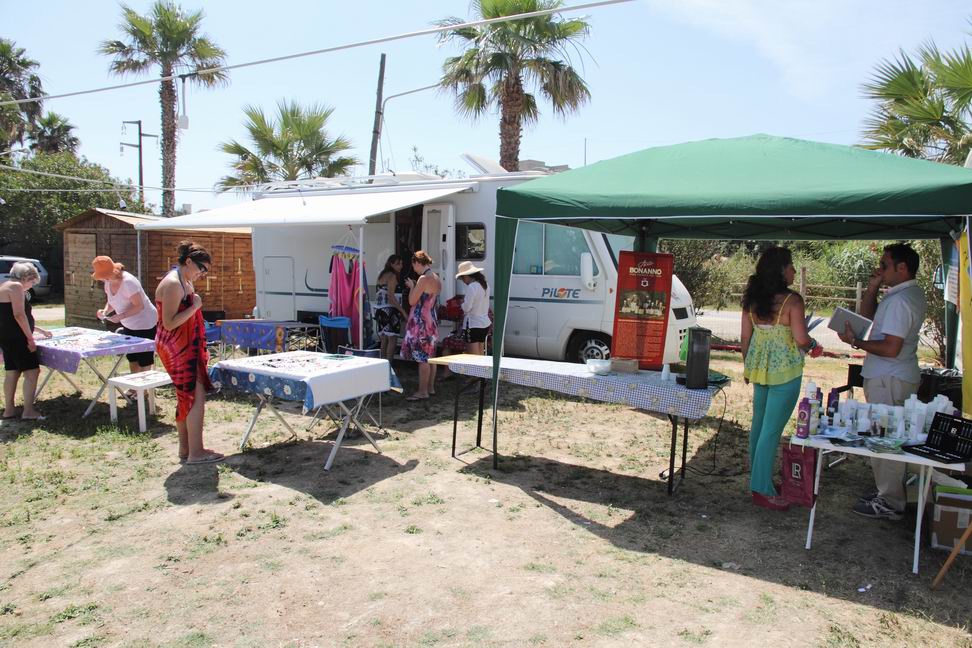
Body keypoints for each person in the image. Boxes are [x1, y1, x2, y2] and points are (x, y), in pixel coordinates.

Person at [838, 243, 926, 520]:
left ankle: (890, 501)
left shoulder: (900, 301)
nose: (880, 269)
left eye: (884, 265)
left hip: (889, 376)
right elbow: (869, 317)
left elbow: (891, 347)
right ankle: (889, 492)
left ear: (902, 267)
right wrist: (873, 287)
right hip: (892, 375)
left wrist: (855, 341)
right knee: (888, 436)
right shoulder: (904, 293)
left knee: (886, 439)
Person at [741, 247, 823, 511]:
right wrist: (814, 346)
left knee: (759, 426)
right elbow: (801, 338)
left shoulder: (753, 298)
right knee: (771, 430)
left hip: (760, 370)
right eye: (791, 266)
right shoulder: (792, 301)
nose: (794, 271)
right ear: (780, 270)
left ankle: (759, 480)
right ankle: (761, 488)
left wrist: (747, 366)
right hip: (786, 372)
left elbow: (745, 337)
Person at [155, 241, 222, 465]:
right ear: (189, 261)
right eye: (201, 269)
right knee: (194, 397)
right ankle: (196, 452)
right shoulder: (174, 284)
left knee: (186, 396)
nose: (202, 274)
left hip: (185, 344)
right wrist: (195, 307)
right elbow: (169, 323)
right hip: (177, 347)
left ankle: (186, 449)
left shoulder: (184, 281)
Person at [0, 262, 52, 420]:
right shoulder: (16, 287)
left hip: (7, 337)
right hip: (18, 338)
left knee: (12, 372)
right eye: (32, 282)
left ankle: (9, 411)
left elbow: (8, 316)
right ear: (26, 277)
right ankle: (28, 411)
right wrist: (30, 339)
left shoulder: (4, 286)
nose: (31, 285)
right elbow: (19, 315)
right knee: (32, 372)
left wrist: (39, 330)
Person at [92, 256, 158, 376]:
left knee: (144, 359)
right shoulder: (107, 282)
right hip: (128, 324)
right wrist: (105, 311)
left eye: (103, 276)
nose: (102, 279)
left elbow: (139, 306)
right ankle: (134, 384)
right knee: (132, 357)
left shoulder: (128, 282)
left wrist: (121, 316)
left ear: (111, 272)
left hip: (145, 323)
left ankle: (144, 386)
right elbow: (112, 301)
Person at [400, 250, 440, 401]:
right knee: (431, 356)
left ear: (417, 263)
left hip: (421, 322)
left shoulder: (423, 278)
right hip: (431, 320)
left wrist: (412, 286)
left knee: (422, 358)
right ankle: (430, 388)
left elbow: (412, 301)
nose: (413, 268)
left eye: (413, 265)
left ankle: (422, 392)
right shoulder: (436, 277)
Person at [374, 255, 407, 361]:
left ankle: (382, 364)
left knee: (384, 339)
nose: (401, 266)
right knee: (392, 338)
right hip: (389, 310)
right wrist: (403, 311)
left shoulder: (382, 275)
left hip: (379, 309)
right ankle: (389, 364)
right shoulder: (392, 276)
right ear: (391, 264)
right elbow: (391, 297)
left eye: (401, 264)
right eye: (398, 264)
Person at [455, 261, 490, 356]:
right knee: (481, 353)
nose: (463, 281)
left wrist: (462, 304)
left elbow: (466, 308)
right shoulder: (485, 284)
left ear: (466, 276)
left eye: (462, 278)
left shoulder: (472, 287)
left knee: (473, 357)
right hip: (484, 323)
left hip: (473, 324)